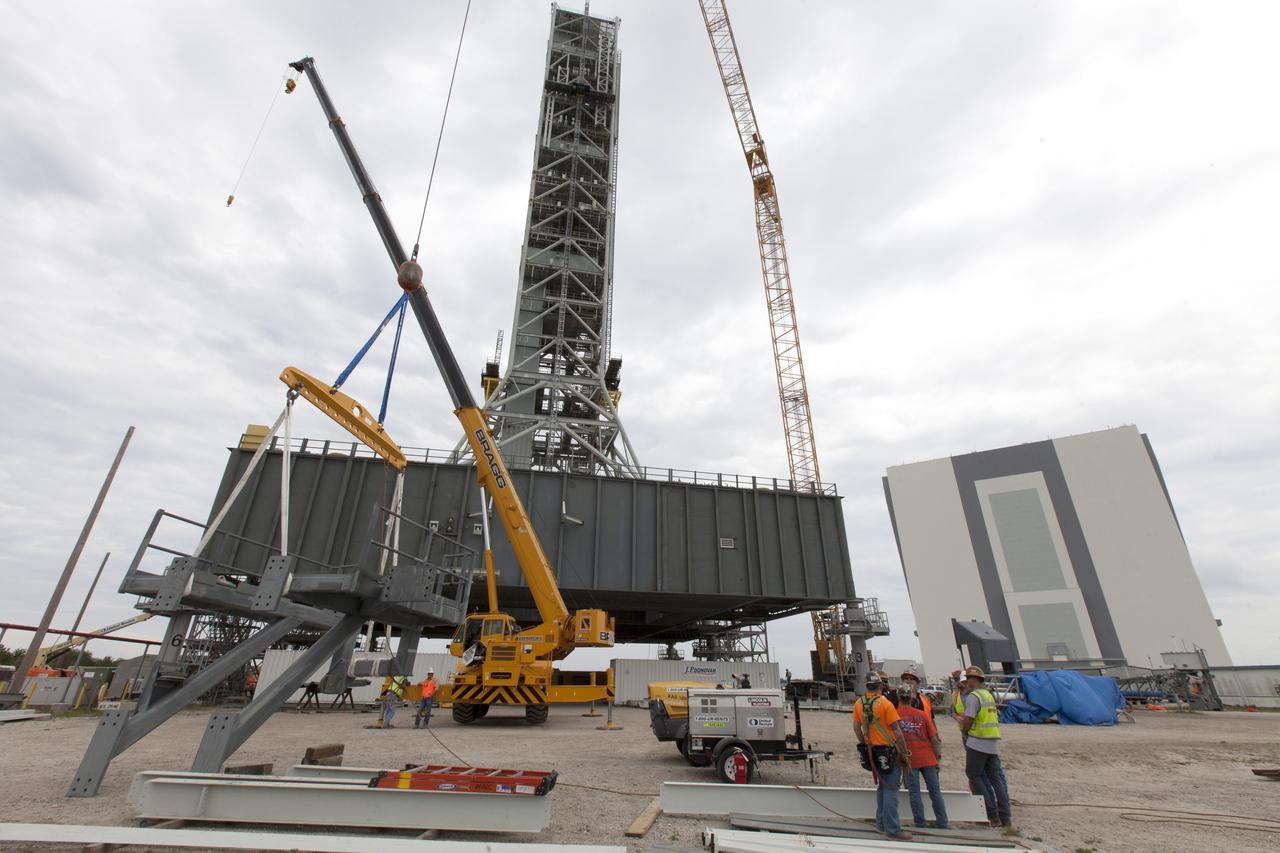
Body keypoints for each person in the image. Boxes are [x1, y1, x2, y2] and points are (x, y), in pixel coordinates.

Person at [852, 673, 914, 841]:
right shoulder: (885, 704)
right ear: (881, 685)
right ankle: (893, 830)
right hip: (888, 751)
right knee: (891, 789)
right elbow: (897, 732)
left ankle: (881, 823)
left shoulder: (859, 703)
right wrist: (903, 752)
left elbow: (856, 727)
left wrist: (864, 743)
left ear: (866, 685)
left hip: (872, 752)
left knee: (882, 787)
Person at [958, 666, 1011, 828]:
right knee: (995, 779)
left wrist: (963, 729)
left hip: (978, 741)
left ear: (974, 680)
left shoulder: (974, 697)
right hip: (992, 742)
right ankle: (1005, 816)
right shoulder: (988, 695)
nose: (966, 682)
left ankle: (991, 814)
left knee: (973, 774)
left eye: (968, 679)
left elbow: (968, 720)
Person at [897, 670, 950, 830]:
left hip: (910, 759)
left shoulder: (895, 716)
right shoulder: (922, 714)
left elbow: (896, 738)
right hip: (928, 757)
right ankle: (943, 822)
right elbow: (934, 738)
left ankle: (920, 823)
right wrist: (938, 756)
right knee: (935, 791)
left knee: (914, 792)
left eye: (911, 679)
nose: (909, 681)